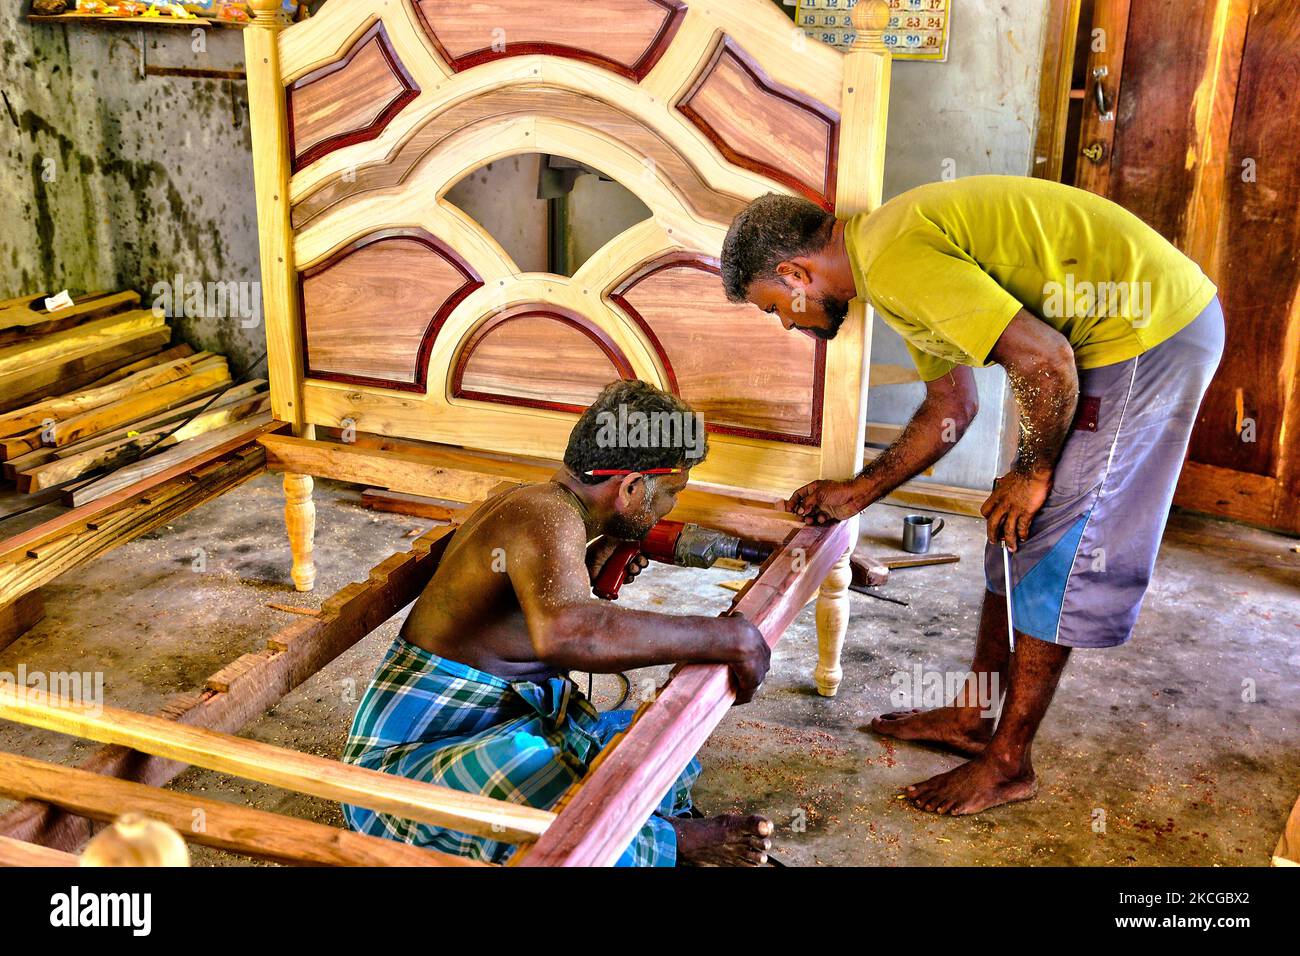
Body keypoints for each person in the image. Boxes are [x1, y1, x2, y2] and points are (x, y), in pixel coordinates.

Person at [720, 175, 1224, 814]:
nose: (787, 324)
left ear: (794, 274)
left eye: (774, 308)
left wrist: (1034, 470)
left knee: (1058, 541)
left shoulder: (894, 257)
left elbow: (1045, 363)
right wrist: (861, 491)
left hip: (1151, 334)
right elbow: (951, 405)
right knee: (1010, 530)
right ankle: (973, 716)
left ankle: (1010, 764)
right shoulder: (885, 258)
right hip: (1112, 334)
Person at [342, 379, 773, 864]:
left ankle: (648, 834)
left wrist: (580, 572)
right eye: (671, 492)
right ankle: (676, 842)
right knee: (553, 802)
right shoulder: (545, 515)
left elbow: (548, 616)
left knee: (654, 744)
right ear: (630, 487)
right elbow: (569, 633)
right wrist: (726, 636)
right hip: (400, 775)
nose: (671, 508)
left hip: (494, 731)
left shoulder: (545, 505)